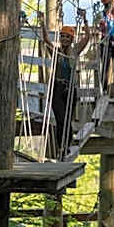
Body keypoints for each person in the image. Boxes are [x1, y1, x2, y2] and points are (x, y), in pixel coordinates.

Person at [40, 12, 89, 157]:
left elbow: (87, 37)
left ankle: (66, 146)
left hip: (70, 90)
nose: (65, 39)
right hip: (57, 88)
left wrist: (85, 20)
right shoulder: (56, 52)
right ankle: (61, 146)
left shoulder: (75, 51)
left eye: (68, 37)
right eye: (63, 36)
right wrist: (42, 22)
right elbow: (45, 40)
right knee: (60, 119)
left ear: (72, 39)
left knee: (67, 120)